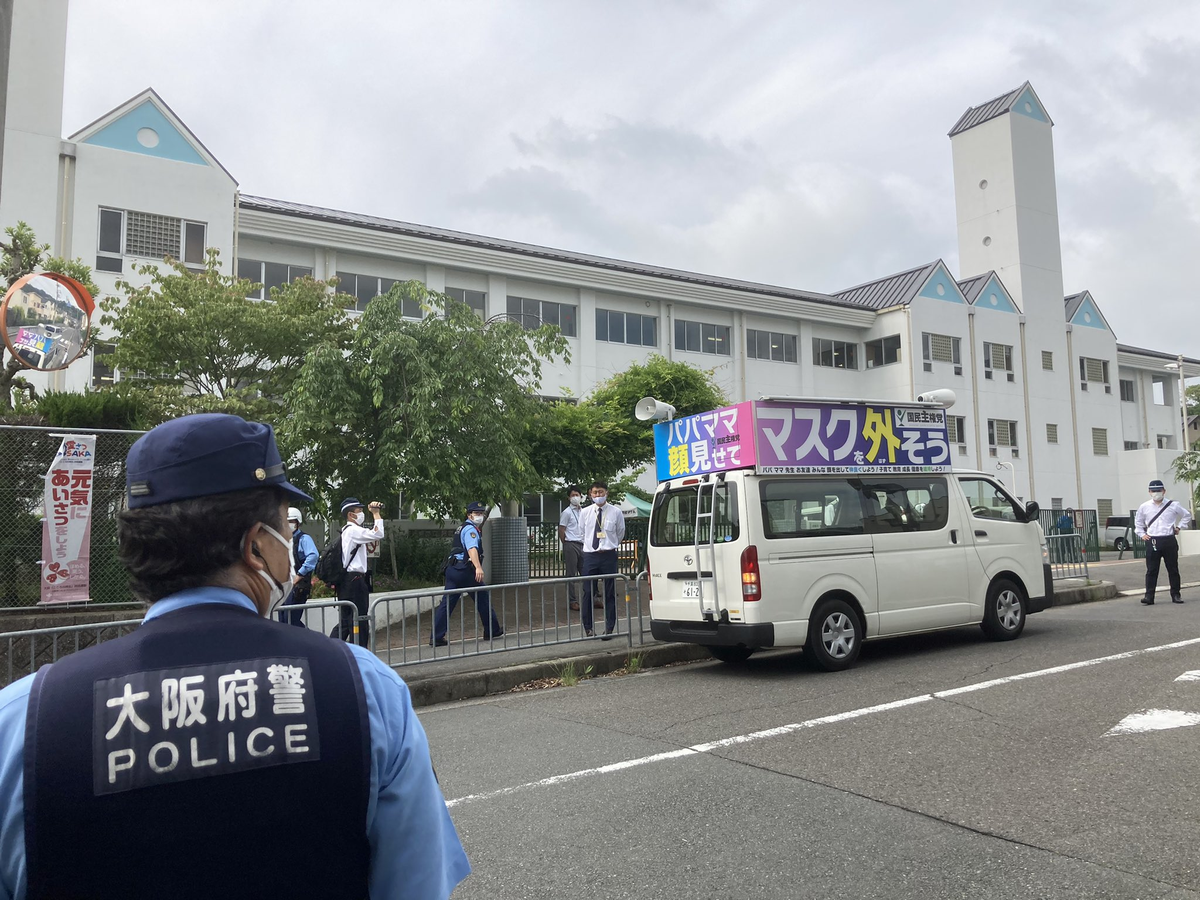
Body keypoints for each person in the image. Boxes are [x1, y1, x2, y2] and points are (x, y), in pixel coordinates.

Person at [0, 412, 469, 900]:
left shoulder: (23, 723)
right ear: (257, 546)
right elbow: (417, 884)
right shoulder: (367, 690)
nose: (290, 544)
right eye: (285, 526)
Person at [431, 502, 504, 647]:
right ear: (469, 515)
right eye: (476, 513)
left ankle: (436, 637)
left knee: (447, 604)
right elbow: (472, 549)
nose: (479, 516)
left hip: (453, 570)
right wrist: (478, 567)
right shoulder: (471, 530)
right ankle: (492, 630)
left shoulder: (461, 528)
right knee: (483, 598)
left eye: (481, 513)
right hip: (465, 571)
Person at [1135, 478, 1193, 605]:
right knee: (1151, 570)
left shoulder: (1173, 505)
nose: (1156, 493)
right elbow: (1138, 522)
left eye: (1159, 490)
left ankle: (1176, 595)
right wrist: (1142, 534)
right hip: (1153, 540)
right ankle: (1149, 596)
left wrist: (1179, 527)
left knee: (1173, 569)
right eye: (1153, 491)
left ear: (1164, 491)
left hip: (1168, 539)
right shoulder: (1144, 507)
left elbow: (1187, 515)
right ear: (1149, 492)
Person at [580, 480, 625, 639]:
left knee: (609, 592)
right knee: (588, 591)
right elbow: (582, 532)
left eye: (601, 492)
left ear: (606, 493)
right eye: (595, 492)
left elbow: (620, 532)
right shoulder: (585, 512)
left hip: (608, 555)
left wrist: (609, 544)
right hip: (590, 555)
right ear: (590, 494)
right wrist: (591, 547)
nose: (598, 495)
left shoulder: (616, 512)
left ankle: (609, 627)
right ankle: (588, 628)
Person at [337, 497, 384, 646]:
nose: (362, 513)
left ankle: (330, 649)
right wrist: (376, 513)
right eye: (359, 511)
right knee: (360, 620)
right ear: (351, 515)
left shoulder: (347, 530)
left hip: (348, 581)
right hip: (355, 581)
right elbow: (378, 534)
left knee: (346, 622)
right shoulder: (353, 530)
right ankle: (361, 652)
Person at [278, 506, 318, 627]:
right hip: (285, 586)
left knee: (291, 621)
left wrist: (299, 575)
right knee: (283, 621)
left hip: (298, 587)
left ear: (298, 523)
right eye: (286, 521)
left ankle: (309, 638)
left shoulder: (304, 539)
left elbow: (313, 556)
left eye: (291, 521)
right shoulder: (283, 539)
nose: (288, 524)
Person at [558, 485, 585, 611]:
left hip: (583, 544)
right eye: (573, 495)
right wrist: (566, 542)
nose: (575, 497)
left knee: (586, 572)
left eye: (577, 495)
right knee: (571, 574)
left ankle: (590, 597)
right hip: (571, 543)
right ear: (568, 498)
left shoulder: (583, 511)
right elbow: (561, 529)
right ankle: (572, 600)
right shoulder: (566, 512)